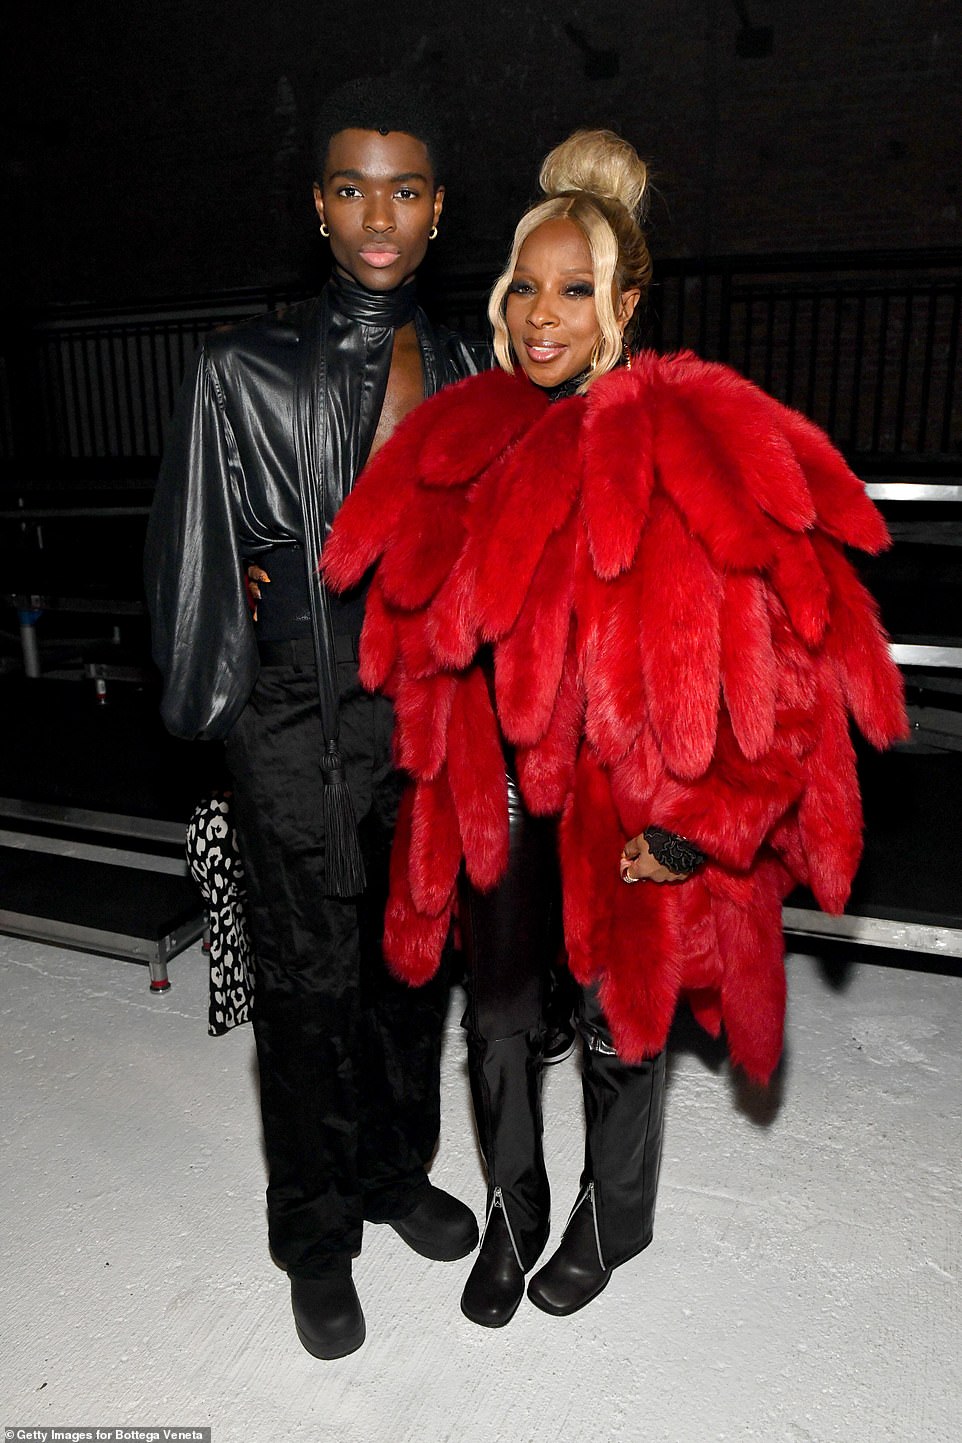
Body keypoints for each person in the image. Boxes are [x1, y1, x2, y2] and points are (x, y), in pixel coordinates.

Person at [322, 128, 908, 1325]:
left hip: (633, 788)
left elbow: (776, 656)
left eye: (575, 290)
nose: (544, 316)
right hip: (499, 773)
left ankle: (610, 1216)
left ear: (626, 303)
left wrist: (700, 826)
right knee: (490, 1009)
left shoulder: (678, 433)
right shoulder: (477, 426)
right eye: (525, 287)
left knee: (613, 1011)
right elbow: (414, 599)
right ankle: (515, 1203)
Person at [144, 76, 486, 1361]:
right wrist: (224, 715)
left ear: (438, 210)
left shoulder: (469, 366)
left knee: (413, 971)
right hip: (296, 720)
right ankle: (315, 1234)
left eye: (403, 187)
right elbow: (193, 550)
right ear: (320, 209)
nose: (377, 212)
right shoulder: (241, 366)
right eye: (352, 187)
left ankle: (396, 1176)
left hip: (428, 719)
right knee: (303, 992)